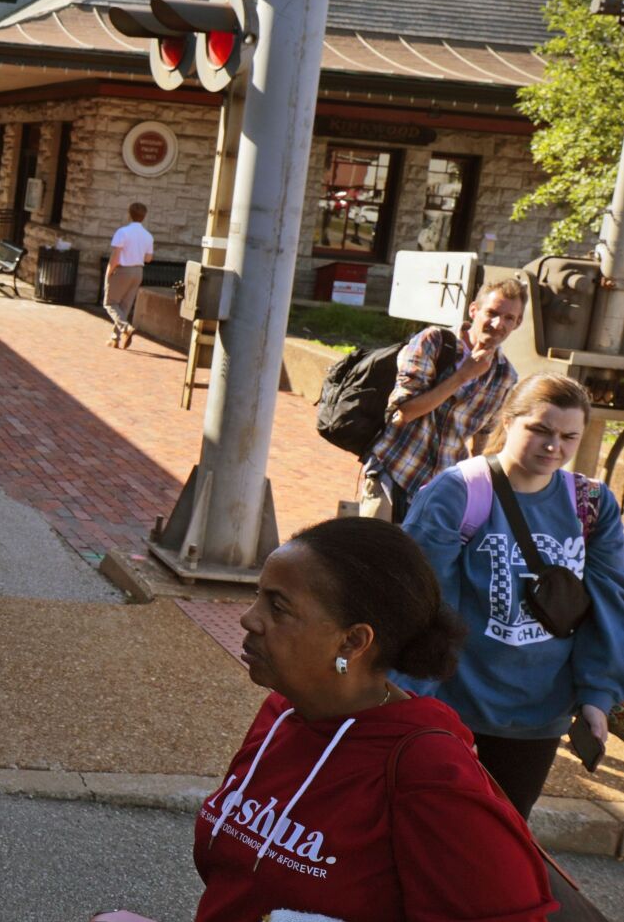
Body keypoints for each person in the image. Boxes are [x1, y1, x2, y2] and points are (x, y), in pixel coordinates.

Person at [193, 518, 552, 922]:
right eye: (259, 595)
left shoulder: (429, 767)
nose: (249, 619)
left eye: (278, 607)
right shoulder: (281, 712)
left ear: (353, 641)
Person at [401, 373, 624, 819]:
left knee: (501, 831)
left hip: (538, 714)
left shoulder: (592, 505)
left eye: (568, 436)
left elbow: (609, 604)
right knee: (426, 822)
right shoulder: (460, 491)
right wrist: (409, 694)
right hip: (450, 704)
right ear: (508, 420)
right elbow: (417, 598)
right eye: (539, 430)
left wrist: (596, 695)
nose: (552, 446)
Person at [361, 278, 525, 523]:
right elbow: (405, 411)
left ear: (518, 322)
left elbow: (483, 437)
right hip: (394, 473)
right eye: (491, 312)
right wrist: (463, 375)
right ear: (474, 310)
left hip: (439, 493)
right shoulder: (435, 342)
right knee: (373, 558)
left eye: (509, 318)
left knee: (421, 562)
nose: (498, 323)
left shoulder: (505, 376)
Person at [104, 202, 153, 349]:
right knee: (125, 306)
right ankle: (115, 338)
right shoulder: (148, 236)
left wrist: (109, 272)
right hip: (138, 271)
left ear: (129, 214)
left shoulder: (123, 232)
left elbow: (115, 256)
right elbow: (149, 258)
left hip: (123, 270)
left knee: (110, 303)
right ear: (144, 217)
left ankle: (125, 328)